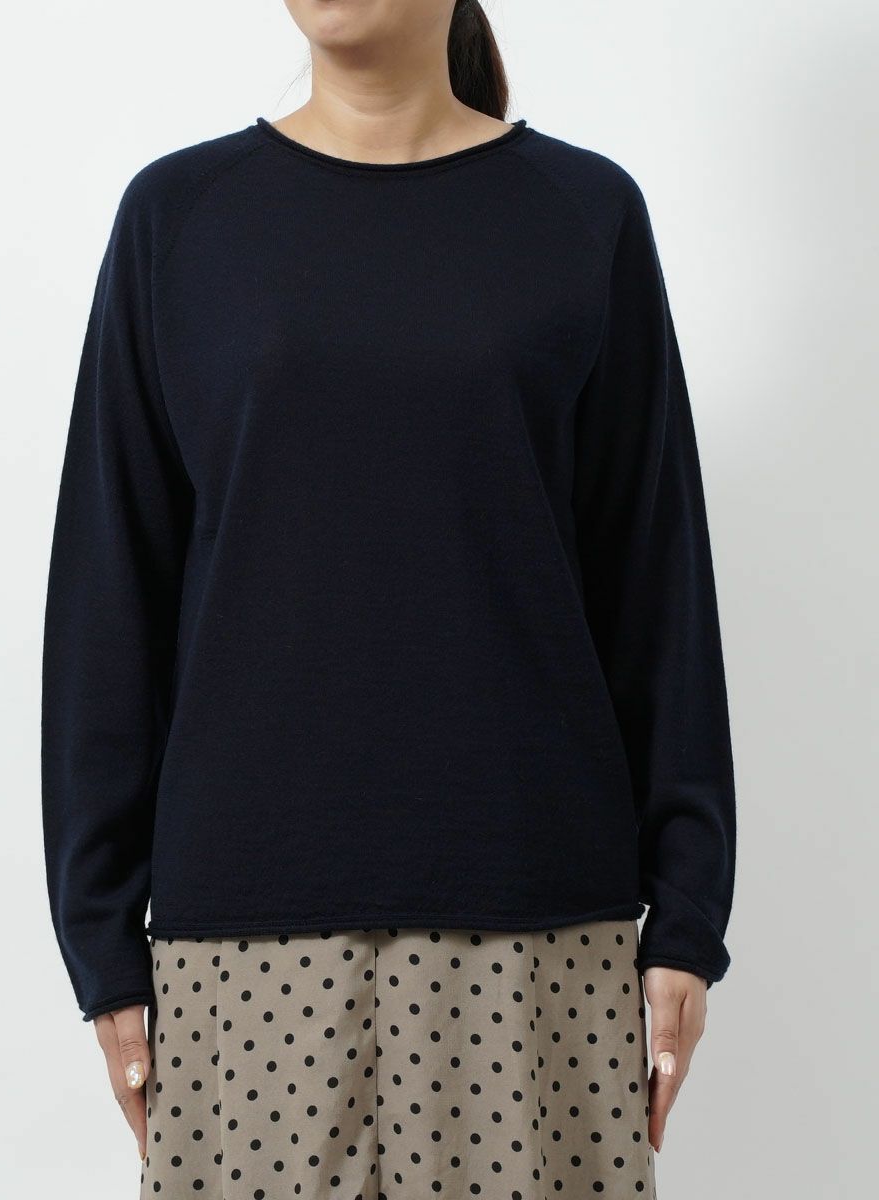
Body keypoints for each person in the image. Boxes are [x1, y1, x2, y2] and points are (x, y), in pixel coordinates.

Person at [40, 2, 737, 1196]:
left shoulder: (582, 215)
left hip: (531, 921)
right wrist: (101, 940)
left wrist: (685, 914)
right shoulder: (178, 218)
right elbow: (111, 590)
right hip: (241, 933)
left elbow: (655, 585)